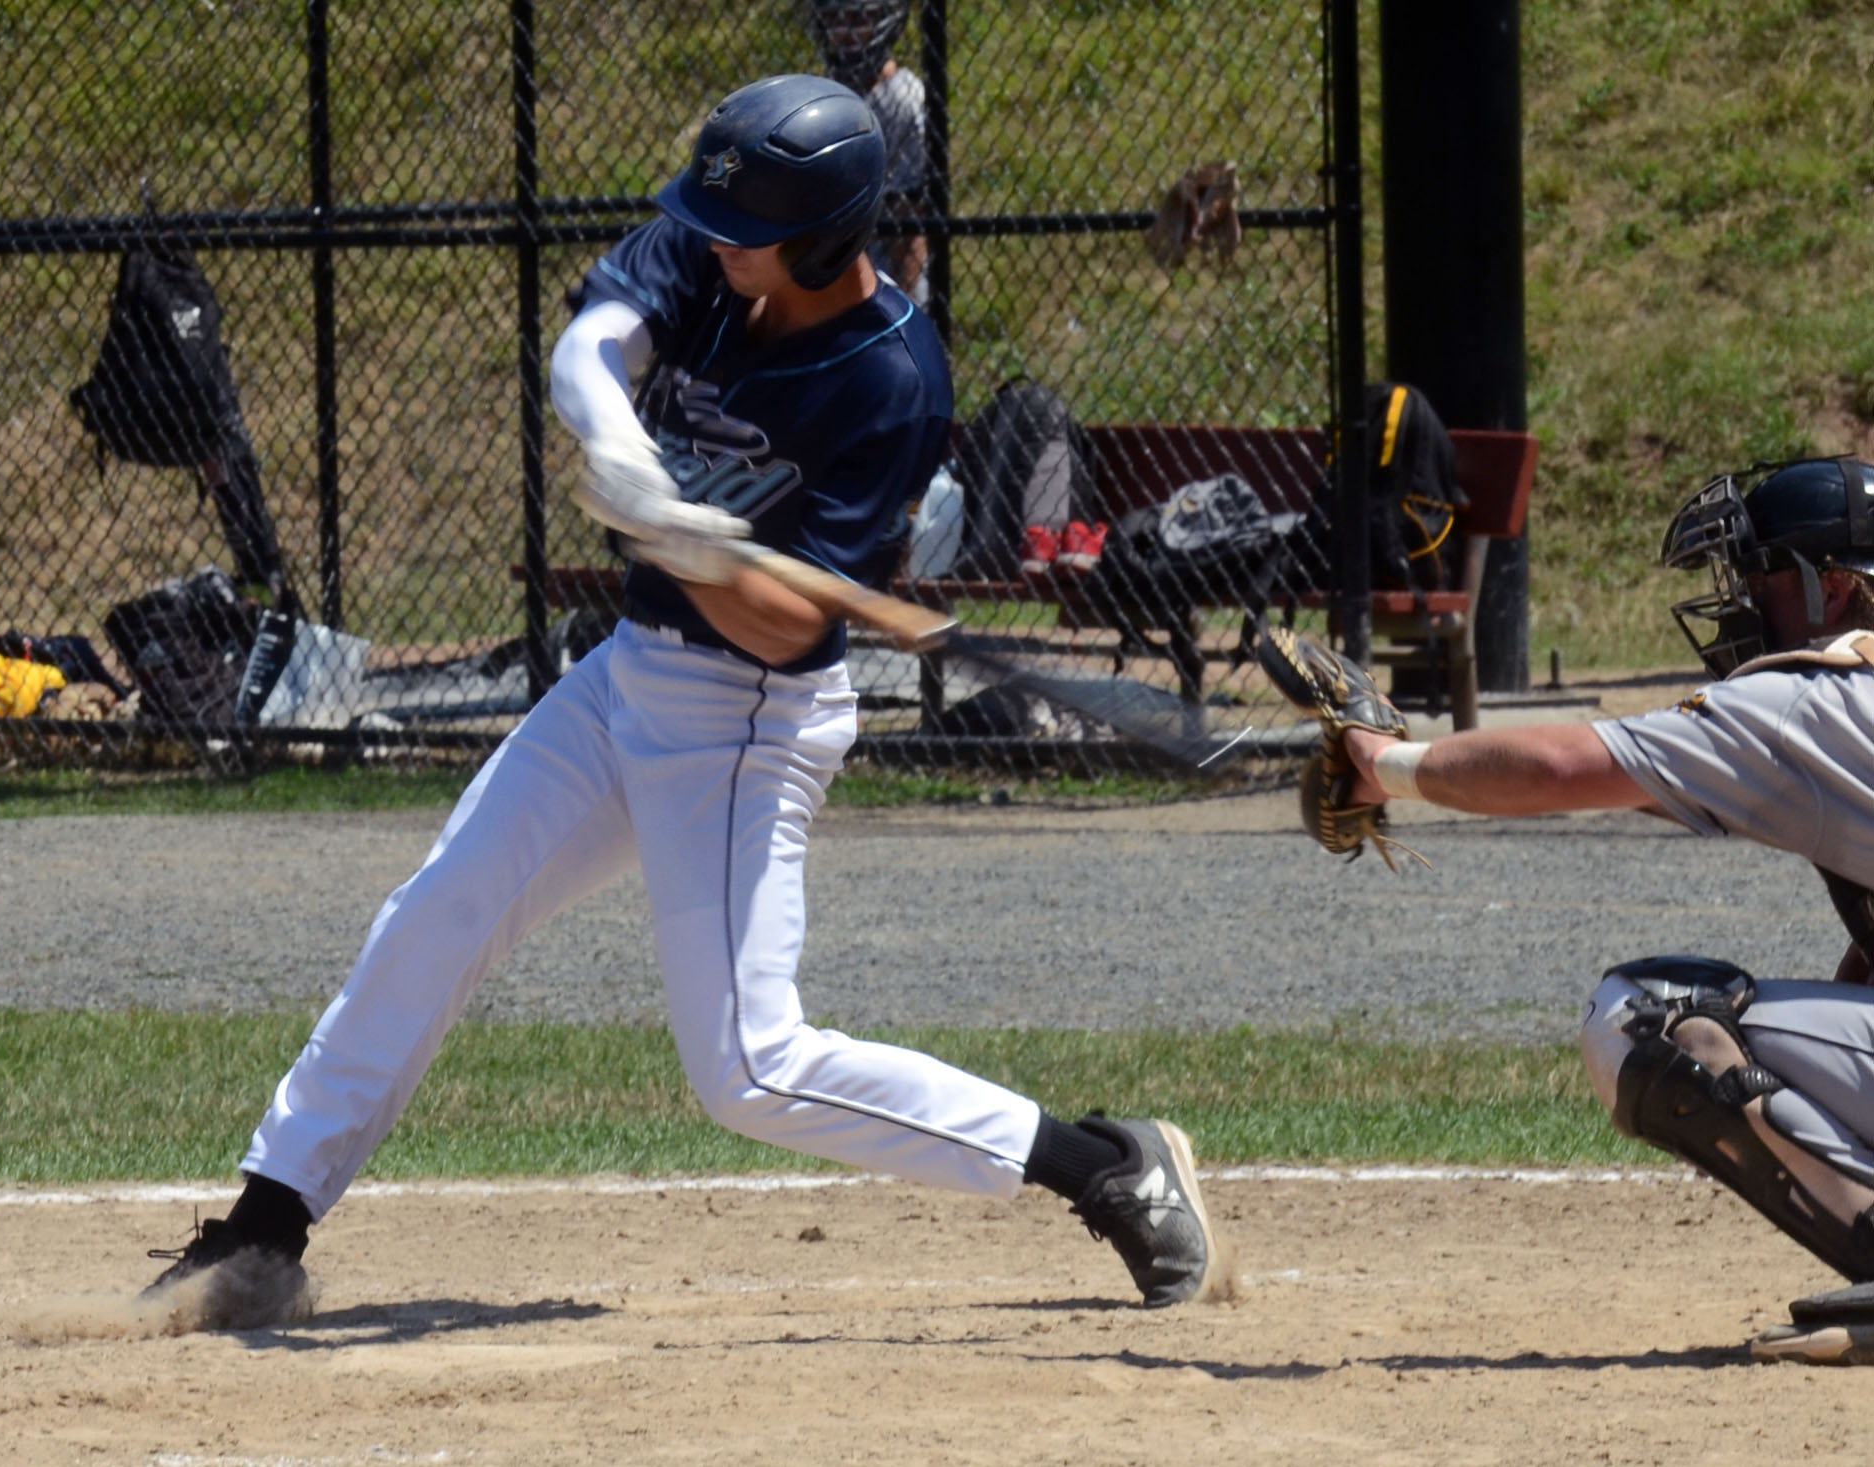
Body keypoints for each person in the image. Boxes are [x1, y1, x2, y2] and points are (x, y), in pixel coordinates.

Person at [139, 74, 1234, 1331]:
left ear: (825, 237)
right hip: (625, 679)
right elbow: (592, 342)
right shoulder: (720, 241)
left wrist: (684, 546)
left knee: (751, 1070)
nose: (715, 241)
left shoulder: (891, 381)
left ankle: (1105, 1165)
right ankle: (266, 1230)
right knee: (440, 910)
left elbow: (790, 624)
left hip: (745, 721)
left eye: (748, 230)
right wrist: (622, 449)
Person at [1323, 456, 1874, 1365]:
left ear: (1838, 587)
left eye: (1762, 576)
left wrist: (1383, 762)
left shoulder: (1807, 703)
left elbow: (1561, 767)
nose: (1736, 599)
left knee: (1646, 1019)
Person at [807, 2, 929, 302]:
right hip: (829, 269)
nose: (843, 33)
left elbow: (909, 215)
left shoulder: (901, 96)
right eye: (833, 19)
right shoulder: (821, 93)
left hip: (885, 271)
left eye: (857, 19)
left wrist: (905, 302)